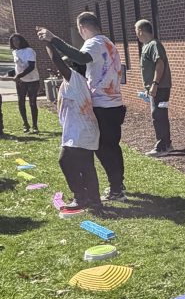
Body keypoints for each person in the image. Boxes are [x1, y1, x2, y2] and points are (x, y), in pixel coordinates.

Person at [36, 13, 127, 201]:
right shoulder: (107, 42)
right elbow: (80, 59)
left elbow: (80, 57)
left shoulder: (93, 43)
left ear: (82, 27)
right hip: (114, 104)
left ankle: (116, 189)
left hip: (102, 106)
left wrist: (52, 39)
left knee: (104, 150)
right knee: (112, 147)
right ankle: (118, 184)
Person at [43, 41, 101, 216]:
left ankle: (81, 196)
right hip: (82, 131)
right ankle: (93, 198)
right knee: (86, 166)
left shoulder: (75, 79)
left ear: (73, 68)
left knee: (65, 161)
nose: (61, 68)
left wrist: (48, 42)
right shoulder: (73, 82)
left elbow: (57, 61)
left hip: (81, 132)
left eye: (67, 64)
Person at [135, 19, 173, 156]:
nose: (136, 34)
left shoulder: (154, 44)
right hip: (158, 88)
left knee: (158, 115)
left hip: (160, 88)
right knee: (160, 115)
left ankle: (161, 147)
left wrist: (155, 84)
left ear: (140, 31)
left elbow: (160, 64)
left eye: (136, 31)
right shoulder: (147, 46)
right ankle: (167, 144)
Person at [9, 34, 40, 133]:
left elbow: (31, 66)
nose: (15, 43)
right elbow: (18, 66)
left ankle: (35, 126)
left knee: (32, 103)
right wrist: (12, 74)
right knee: (21, 102)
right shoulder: (15, 52)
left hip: (32, 80)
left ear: (21, 40)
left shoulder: (29, 51)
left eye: (17, 40)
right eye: (13, 41)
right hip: (21, 81)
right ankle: (25, 124)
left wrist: (19, 75)